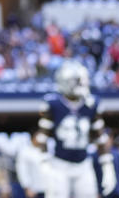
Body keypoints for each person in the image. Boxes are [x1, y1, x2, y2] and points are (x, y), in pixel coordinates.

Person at [34, 61, 113, 198]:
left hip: (83, 164)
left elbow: (101, 138)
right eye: (77, 81)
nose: (81, 84)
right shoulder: (53, 104)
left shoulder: (91, 104)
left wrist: (108, 166)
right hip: (59, 165)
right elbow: (42, 137)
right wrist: (44, 164)